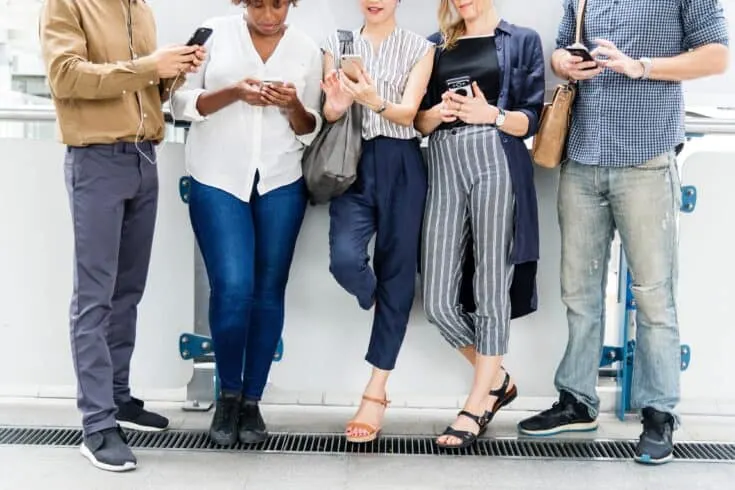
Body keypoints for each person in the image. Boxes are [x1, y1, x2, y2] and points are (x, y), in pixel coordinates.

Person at [518, 0, 729, 465]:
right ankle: (578, 401)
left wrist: (642, 67)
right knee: (578, 292)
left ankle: (659, 413)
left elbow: (717, 56)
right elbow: (558, 51)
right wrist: (564, 62)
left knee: (654, 295)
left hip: (646, 157)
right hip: (582, 156)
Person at [39, 0, 205, 472]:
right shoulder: (67, 4)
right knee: (95, 297)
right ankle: (96, 426)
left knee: (127, 291)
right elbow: (66, 77)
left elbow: (144, 88)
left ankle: (117, 398)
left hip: (143, 159)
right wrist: (148, 66)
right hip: (95, 162)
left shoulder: (140, 9)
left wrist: (175, 72)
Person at [170, 0, 322, 447]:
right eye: (257, 3)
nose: (268, 14)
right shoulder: (212, 34)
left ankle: (252, 402)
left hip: (280, 178)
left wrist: (292, 103)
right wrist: (234, 92)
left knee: (269, 292)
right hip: (216, 176)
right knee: (233, 288)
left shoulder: (306, 48)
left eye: (278, 4)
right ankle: (228, 396)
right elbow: (180, 103)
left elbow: (309, 126)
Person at [416, 0, 544, 449]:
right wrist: (439, 113)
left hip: (496, 159)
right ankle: (498, 379)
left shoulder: (522, 40)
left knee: (492, 282)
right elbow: (418, 117)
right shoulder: (434, 46)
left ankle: (475, 405)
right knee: (436, 300)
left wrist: (490, 114)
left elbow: (533, 117)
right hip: (445, 160)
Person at [321, 0, 434, 443]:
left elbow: (409, 115)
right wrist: (335, 104)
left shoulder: (419, 47)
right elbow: (330, 113)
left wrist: (374, 100)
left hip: (402, 160)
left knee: (399, 271)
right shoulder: (338, 43)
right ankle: (383, 300)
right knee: (345, 260)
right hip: (350, 161)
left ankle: (375, 392)